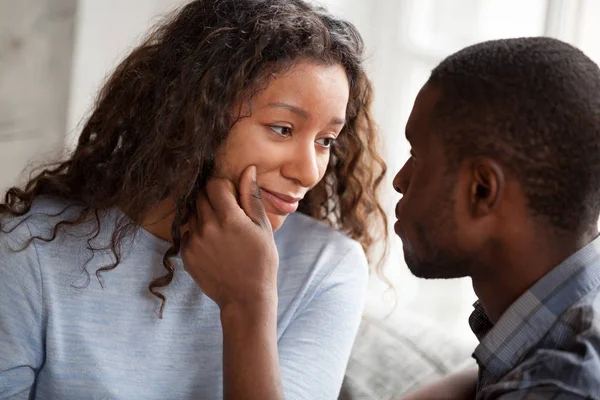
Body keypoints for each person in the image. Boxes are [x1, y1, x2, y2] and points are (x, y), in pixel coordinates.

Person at [0, 0, 388, 399]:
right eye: (282, 128)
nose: (308, 172)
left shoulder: (326, 267)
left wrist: (248, 305)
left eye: (326, 140)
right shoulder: (31, 253)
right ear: (196, 115)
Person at [395, 37, 600, 399]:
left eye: (417, 155)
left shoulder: (565, 386)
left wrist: (259, 295)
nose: (400, 180)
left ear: (481, 191)